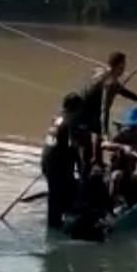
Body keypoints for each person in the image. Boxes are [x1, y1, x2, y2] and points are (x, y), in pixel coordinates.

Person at [78, 51, 137, 169]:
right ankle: (94, 163)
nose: (124, 69)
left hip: (84, 105)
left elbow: (120, 89)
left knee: (95, 133)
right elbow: (104, 109)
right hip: (85, 110)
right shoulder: (110, 82)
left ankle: (96, 161)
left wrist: (136, 98)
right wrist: (105, 132)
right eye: (123, 65)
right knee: (97, 132)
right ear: (118, 65)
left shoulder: (105, 73)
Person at [40, 93, 87, 228]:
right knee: (58, 196)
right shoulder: (70, 122)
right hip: (58, 165)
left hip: (47, 160)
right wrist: (80, 167)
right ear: (75, 108)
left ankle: (61, 220)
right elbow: (73, 147)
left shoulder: (56, 118)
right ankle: (55, 227)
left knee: (61, 192)